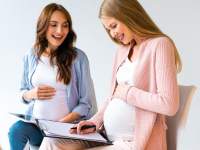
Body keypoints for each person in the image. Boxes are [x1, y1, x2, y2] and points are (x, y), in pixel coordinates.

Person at [39, 0, 181, 150]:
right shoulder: (123, 50)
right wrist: (95, 121)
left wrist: (127, 92)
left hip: (133, 142)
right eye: (108, 29)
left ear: (129, 15)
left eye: (114, 26)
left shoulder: (160, 44)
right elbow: (112, 97)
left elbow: (169, 104)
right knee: (51, 142)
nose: (113, 33)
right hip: (105, 135)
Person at [8, 3, 96, 150]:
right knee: (16, 130)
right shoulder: (31, 55)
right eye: (53, 25)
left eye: (65, 25)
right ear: (43, 26)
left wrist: (59, 124)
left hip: (65, 129)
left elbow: (86, 104)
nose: (60, 31)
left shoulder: (78, 58)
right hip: (38, 127)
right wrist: (30, 94)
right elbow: (22, 92)